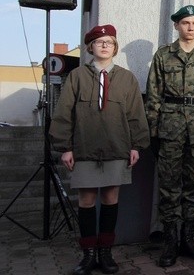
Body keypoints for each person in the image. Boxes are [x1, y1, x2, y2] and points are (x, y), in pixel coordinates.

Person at [49, 24, 150, 275]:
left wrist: (136, 145)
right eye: (99, 42)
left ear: (114, 48)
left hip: (117, 148)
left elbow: (136, 114)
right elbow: (64, 113)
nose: (104, 45)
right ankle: (88, 254)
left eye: (109, 42)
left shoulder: (127, 78)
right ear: (90, 47)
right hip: (84, 148)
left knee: (110, 198)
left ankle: (105, 252)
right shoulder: (77, 77)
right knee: (86, 200)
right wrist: (65, 147)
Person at [145, 5, 194, 267]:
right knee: (168, 187)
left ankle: (188, 239)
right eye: (186, 23)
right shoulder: (163, 56)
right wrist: (153, 132)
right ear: (176, 25)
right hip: (170, 128)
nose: (190, 28)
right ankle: (170, 242)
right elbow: (153, 95)